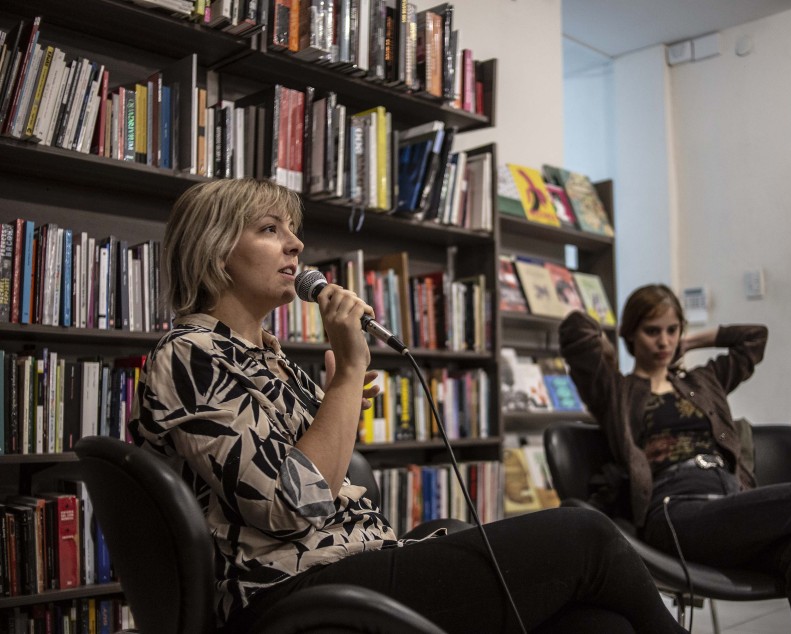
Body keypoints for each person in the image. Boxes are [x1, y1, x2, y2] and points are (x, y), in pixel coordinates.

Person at [128, 178, 689, 634]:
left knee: (598, 625)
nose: (296, 246)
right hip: (285, 597)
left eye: (293, 231)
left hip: (347, 567)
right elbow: (290, 507)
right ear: (215, 249)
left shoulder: (269, 358)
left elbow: (317, 480)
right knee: (583, 535)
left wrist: (334, 402)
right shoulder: (189, 354)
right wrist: (348, 379)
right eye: (270, 230)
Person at [559, 283, 791, 634]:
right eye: (652, 331)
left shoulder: (702, 381)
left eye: (672, 330)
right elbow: (575, 332)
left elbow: (754, 338)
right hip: (674, 512)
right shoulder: (617, 393)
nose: (664, 341)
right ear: (631, 334)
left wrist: (694, 339)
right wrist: (608, 345)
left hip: (730, 505)